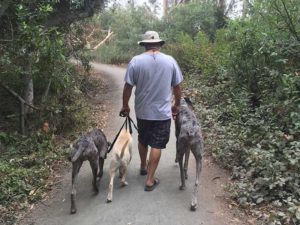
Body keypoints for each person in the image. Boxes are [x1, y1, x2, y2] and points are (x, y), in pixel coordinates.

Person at [120, 30, 183, 191]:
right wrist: (176, 105)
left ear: (144, 45)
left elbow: (128, 86)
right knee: (157, 143)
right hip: (162, 113)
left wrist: (125, 106)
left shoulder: (136, 61)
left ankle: (143, 166)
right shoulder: (170, 61)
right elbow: (177, 86)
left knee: (143, 138)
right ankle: (150, 179)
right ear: (160, 44)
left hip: (142, 111)